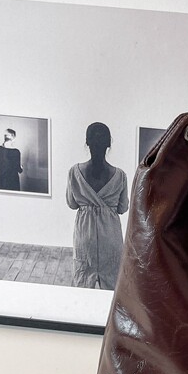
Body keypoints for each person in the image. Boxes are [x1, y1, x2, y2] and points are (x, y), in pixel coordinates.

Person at [66, 122, 128, 290]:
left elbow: (72, 204)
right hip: (111, 236)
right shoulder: (120, 175)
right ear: (109, 144)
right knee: (112, 288)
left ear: (87, 143)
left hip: (85, 235)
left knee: (83, 284)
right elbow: (123, 208)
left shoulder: (74, 172)